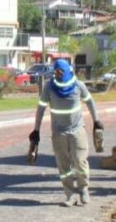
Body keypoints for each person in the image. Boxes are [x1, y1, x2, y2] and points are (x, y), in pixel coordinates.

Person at [30, 58, 103, 206]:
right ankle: (70, 195)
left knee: (80, 161)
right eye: (56, 71)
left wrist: (96, 121)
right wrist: (36, 130)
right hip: (59, 133)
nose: (58, 74)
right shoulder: (49, 87)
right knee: (64, 166)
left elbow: (90, 101)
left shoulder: (78, 85)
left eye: (61, 71)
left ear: (68, 71)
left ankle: (83, 189)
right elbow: (41, 109)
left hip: (77, 131)